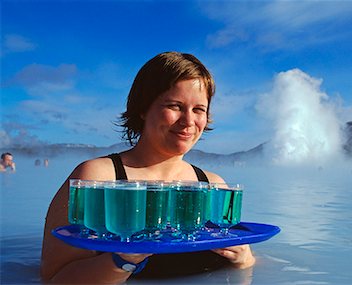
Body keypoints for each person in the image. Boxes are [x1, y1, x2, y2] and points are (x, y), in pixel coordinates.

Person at [40, 52, 255, 284]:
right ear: (143, 108)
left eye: (199, 109)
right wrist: (121, 261)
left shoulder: (213, 185)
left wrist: (245, 260)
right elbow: (53, 277)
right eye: (175, 105)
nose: (188, 120)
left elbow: (248, 269)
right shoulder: (97, 178)